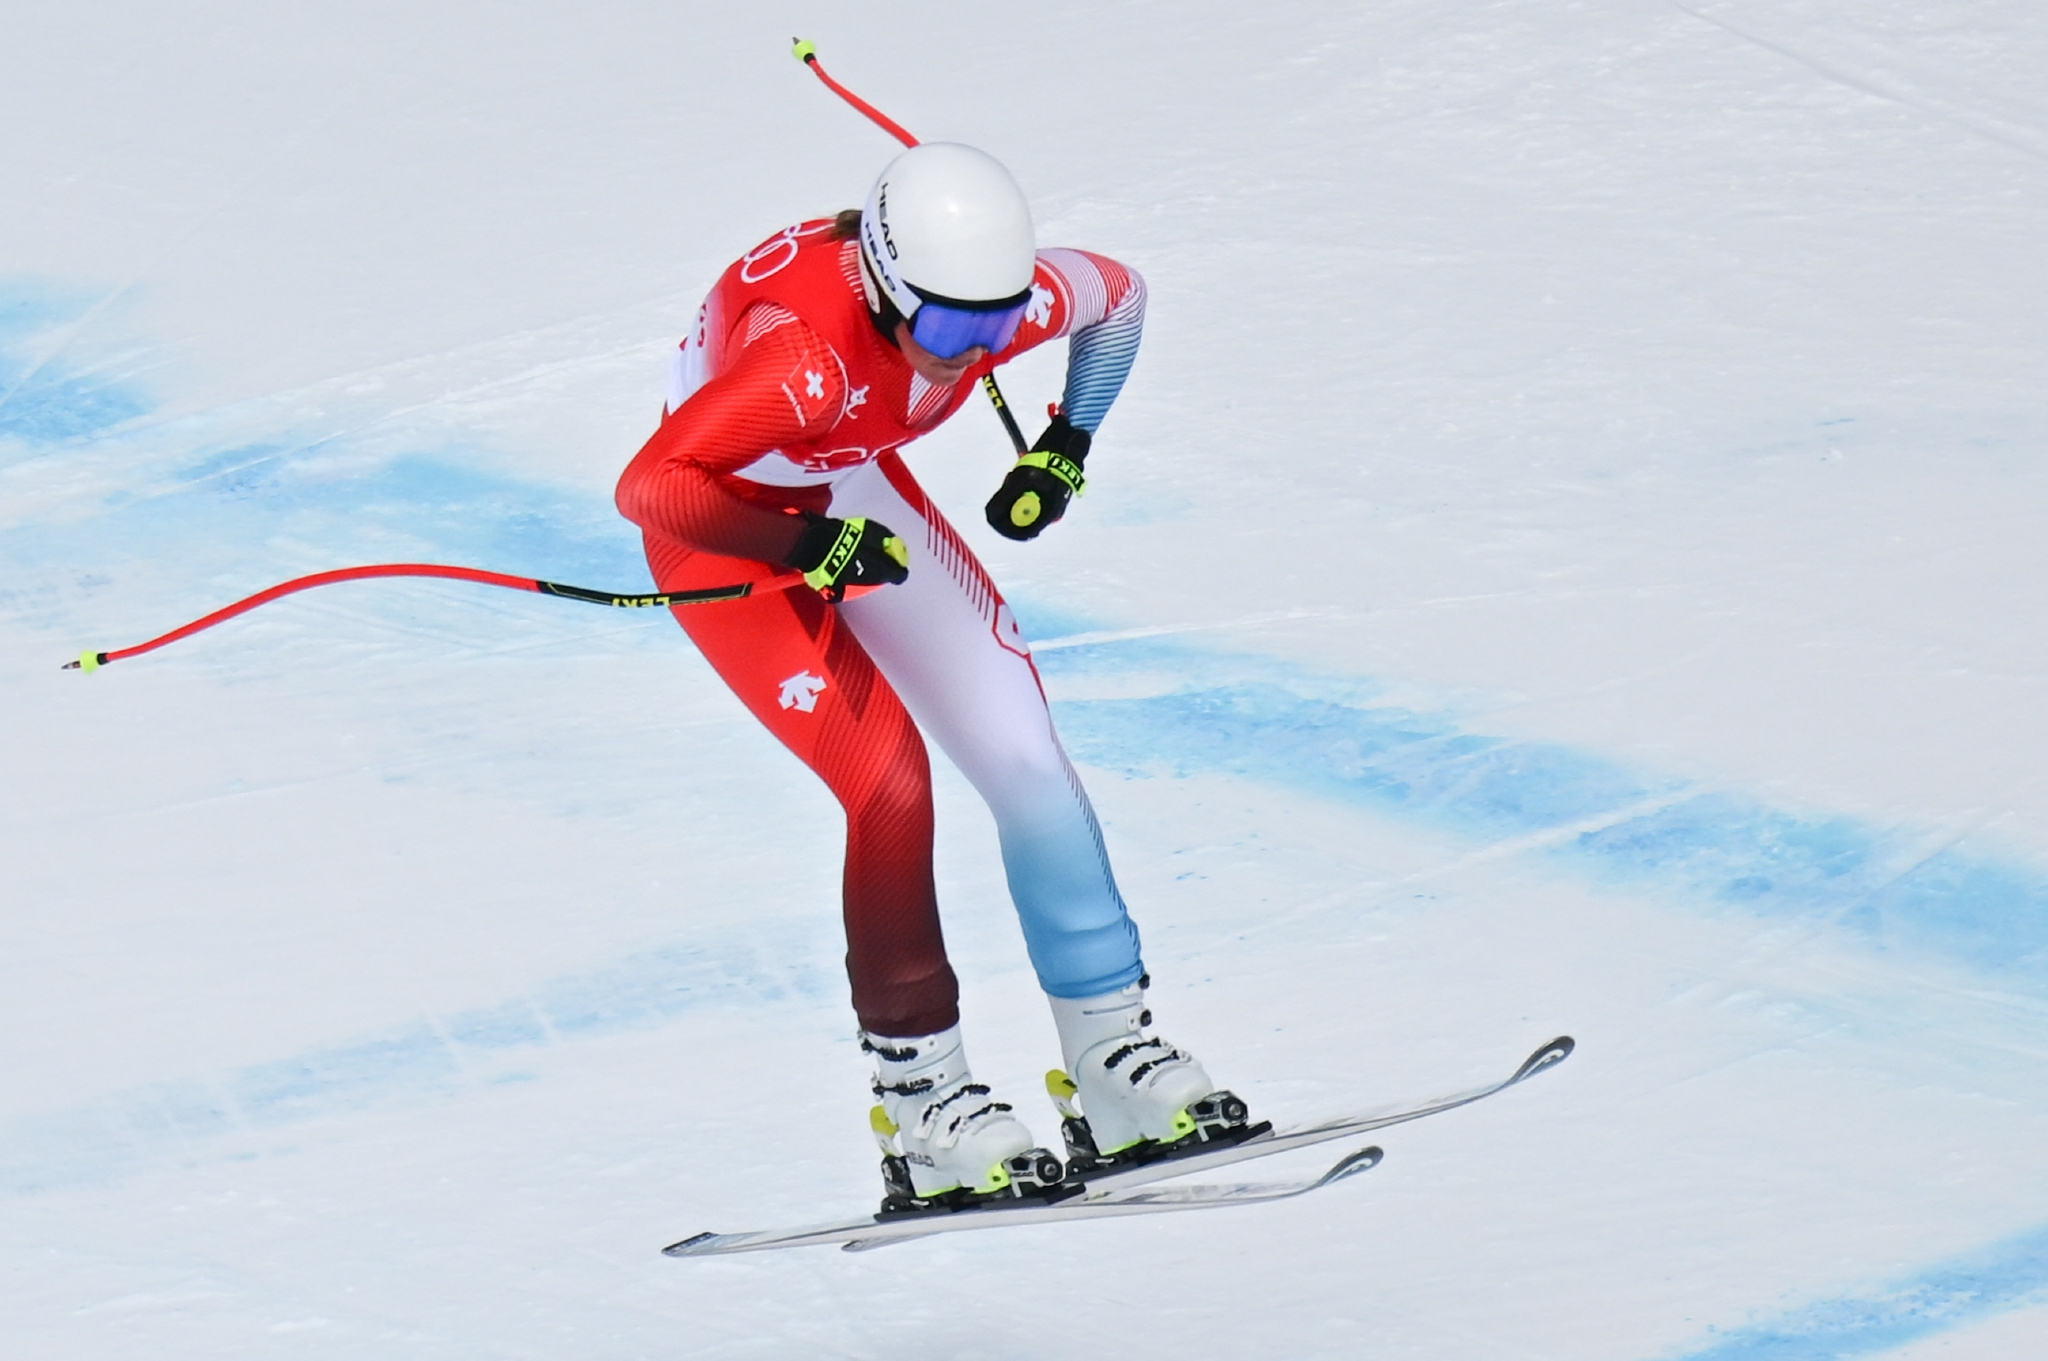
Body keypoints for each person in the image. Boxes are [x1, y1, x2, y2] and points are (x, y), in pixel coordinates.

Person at [615, 143, 1246, 1209]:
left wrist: (1064, 447)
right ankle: (925, 1108)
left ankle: (1113, 1056)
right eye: (951, 330)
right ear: (883, 283)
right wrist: (806, 549)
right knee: (890, 786)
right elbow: (653, 487)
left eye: (996, 330)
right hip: (725, 535)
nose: (971, 353)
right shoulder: (803, 360)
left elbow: (1120, 299)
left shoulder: (981, 301)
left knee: (1022, 753)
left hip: (842, 488)